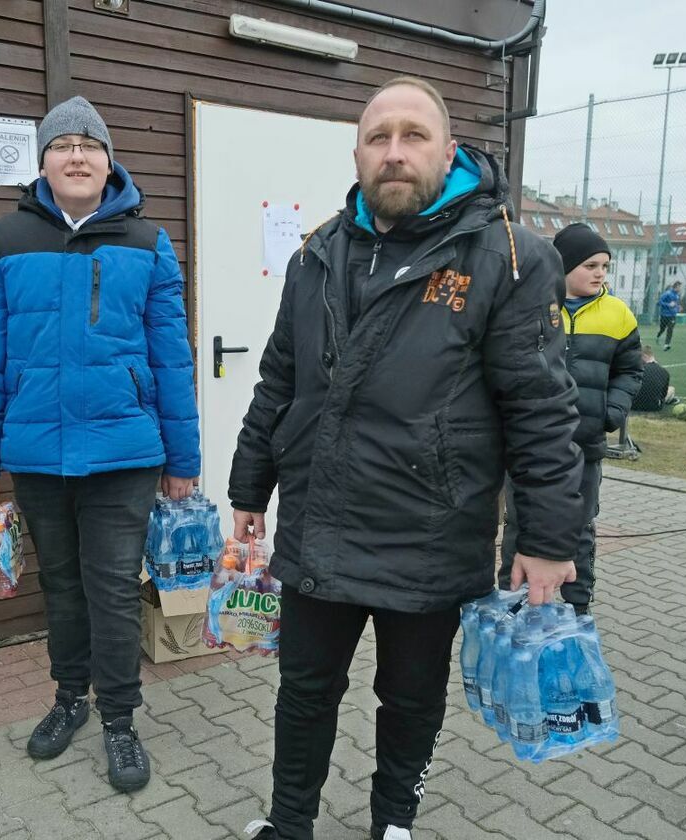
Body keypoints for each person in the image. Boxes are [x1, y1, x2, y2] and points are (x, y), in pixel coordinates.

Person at [228, 76, 584, 840]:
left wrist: (549, 541)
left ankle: (394, 822)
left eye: (413, 136)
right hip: (319, 525)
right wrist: (249, 487)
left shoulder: (510, 257)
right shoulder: (318, 253)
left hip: (431, 535)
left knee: (411, 698)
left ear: (448, 151)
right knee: (304, 691)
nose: (395, 152)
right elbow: (279, 379)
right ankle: (290, 823)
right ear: (357, 153)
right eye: (378, 137)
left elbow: (542, 411)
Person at [0, 96, 200, 793]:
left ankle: (119, 718)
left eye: (90, 145)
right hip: (37, 452)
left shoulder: (147, 242)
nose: (77, 155)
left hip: (124, 452)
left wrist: (183, 460)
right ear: (44, 162)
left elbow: (171, 357)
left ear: (109, 161)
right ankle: (69, 700)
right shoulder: (2, 241)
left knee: (113, 589)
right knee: (61, 586)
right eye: (62, 144)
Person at [498, 223, 643, 613]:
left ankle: (579, 607)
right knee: (519, 522)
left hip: (586, 442)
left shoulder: (618, 315)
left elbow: (631, 370)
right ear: (562, 266)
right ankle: (512, 600)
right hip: (532, 444)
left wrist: (611, 412)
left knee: (580, 527)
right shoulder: (533, 307)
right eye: (590, 265)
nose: (600, 273)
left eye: (605, 266)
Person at [632, 345, 678, 411]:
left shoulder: (636, 369)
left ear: (644, 356)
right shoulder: (664, 372)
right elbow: (663, 395)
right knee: (671, 389)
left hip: (633, 405)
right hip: (654, 407)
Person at [657, 280, 682, 350]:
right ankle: (658, 335)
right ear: (676, 287)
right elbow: (659, 302)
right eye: (679, 287)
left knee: (670, 329)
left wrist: (678, 308)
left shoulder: (677, 295)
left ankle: (666, 344)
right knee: (662, 329)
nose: (680, 289)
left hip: (672, 316)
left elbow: (675, 304)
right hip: (664, 315)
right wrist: (668, 305)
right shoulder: (667, 294)